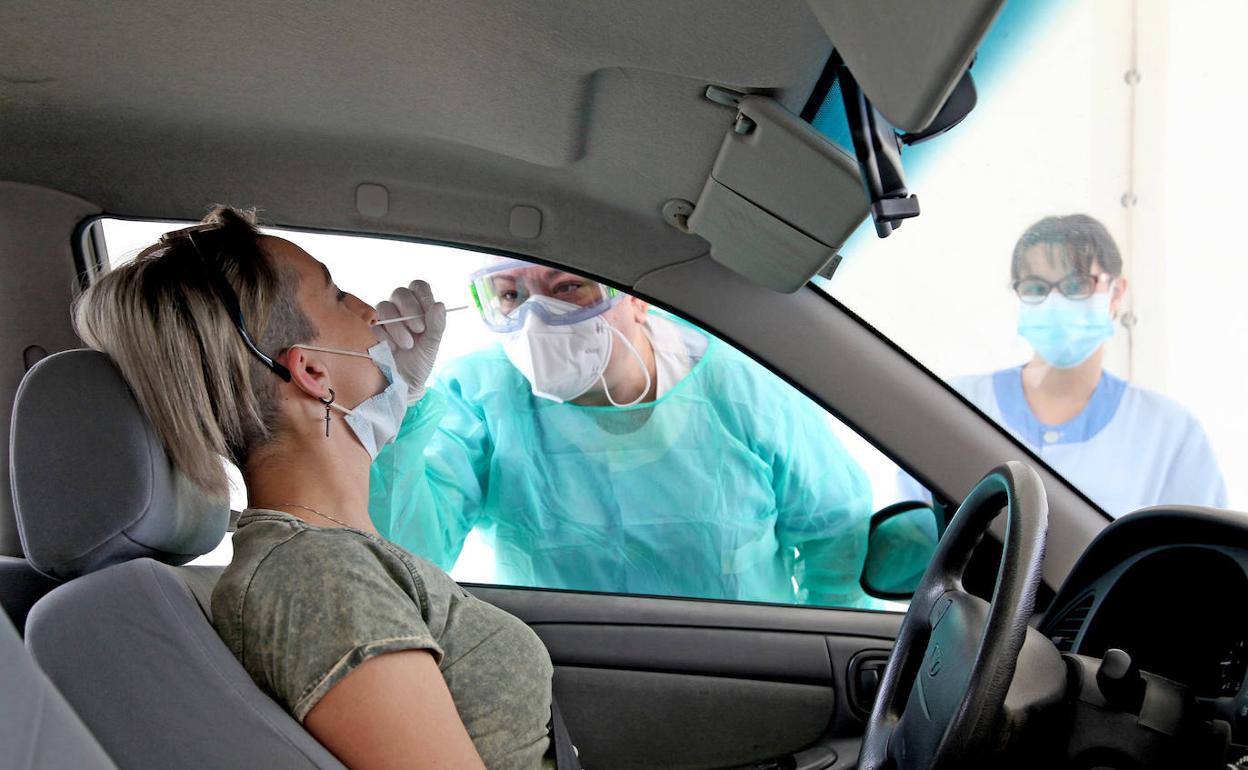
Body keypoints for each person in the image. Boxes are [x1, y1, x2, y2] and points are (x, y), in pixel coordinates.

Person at [73, 208, 555, 769]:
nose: (372, 313)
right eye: (339, 294)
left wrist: (410, 405)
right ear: (311, 372)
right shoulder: (317, 577)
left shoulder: (334, 552)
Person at [369, 257, 876, 608]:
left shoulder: (740, 384)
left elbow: (836, 535)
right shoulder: (479, 396)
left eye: (568, 287)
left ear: (637, 299)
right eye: (510, 295)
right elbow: (411, 557)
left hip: (745, 671)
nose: (537, 317)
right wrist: (399, 407)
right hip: (569, 677)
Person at [901, 214, 1226, 517]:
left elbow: (1201, 561)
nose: (1055, 303)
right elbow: (912, 545)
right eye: (1036, 288)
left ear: (1116, 292)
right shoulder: (957, 406)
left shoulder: (1170, 433)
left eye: (1076, 285)